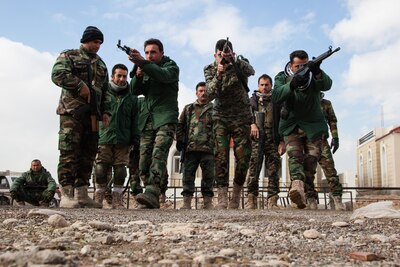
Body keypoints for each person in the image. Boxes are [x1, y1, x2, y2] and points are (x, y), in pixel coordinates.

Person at [52, 26, 111, 208]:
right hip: (72, 112)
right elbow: (57, 74)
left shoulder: (101, 64)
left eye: (100, 43)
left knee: (89, 152)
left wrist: (107, 111)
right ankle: (67, 194)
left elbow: (106, 90)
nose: (97, 46)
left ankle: (82, 193)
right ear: (85, 40)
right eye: (95, 42)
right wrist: (79, 85)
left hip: (93, 115)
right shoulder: (69, 55)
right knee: (69, 151)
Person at [272, 49, 332, 209]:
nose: (301, 69)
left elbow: (327, 84)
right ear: (291, 66)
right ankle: (297, 188)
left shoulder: (314, 76)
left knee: (311, 163)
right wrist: (291, 84)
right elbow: (276, 95)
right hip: (291, 125)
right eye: (298, 66)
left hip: (312, 125)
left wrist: (317, 70)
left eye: (304, 65)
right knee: (294, 156)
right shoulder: (281, 77)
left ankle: (308, 196)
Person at [204, 39, 255, 209]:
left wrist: (234, 60)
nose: (223, 57)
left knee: (243, 157)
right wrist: (219, 74)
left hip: (241, 117)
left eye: (225, 54)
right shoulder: (210, 69)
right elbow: (210, 93)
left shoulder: (240, 64)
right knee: (220, 156)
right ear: (215, 55)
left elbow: (251, 71)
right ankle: (222, 196)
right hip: (221, 117)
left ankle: (236, 195)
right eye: (220, 55)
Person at [129, 38, 179, 209]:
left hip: (165, 118)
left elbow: (163, 76)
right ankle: (155, 189)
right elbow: (134, 91)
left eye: (153, 52)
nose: (149, 56)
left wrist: (143, 64)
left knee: (158, 154)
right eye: (147, 53)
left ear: (161, 53)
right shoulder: (143, 68)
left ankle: (152, 191)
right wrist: (137, 75)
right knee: (143, 162)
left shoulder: (171, 66)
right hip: (148, 120)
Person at [94, 64, 140, 209]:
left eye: (124, 76)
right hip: (104, 137)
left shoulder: (132, 97)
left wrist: (135, 137)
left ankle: (117, 200)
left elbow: (135, 119)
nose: (121, 79)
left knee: (120, 170)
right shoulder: (103, 93)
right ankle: (98, 198)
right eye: (118, 76)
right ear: (113, 76)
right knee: (101, 169)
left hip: (123, 139)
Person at [176, 82, 215, 209]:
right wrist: (180, 140)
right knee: (188, 175)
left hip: (209, 148)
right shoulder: (189, 108)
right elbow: (180, 125)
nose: (203, 93)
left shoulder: (214, 109)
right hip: (190, 148)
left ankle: (207, 203)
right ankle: (186, 202)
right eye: (201, 91)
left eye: (205, 91)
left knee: (208, 176)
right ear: (196, 93)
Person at [246, 74, 283, 209]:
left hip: (272, 138)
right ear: (258, 86)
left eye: (267, 84)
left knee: (273, 170)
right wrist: (252, 124)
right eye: (262, 85)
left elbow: (282, 121)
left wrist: (282, 141)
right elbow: (247, 116)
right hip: (256, 138)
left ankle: (272, 200)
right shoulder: (252, 101)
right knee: (254, 168)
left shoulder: (277, 101)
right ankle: (251, 199)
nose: (264, 87)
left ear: (271, 85)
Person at [304, 93, 345, 210]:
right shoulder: (304, 101)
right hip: (308, 141)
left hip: (322, 141)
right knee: (308, 172)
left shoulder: (326, 103)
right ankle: (311, 199)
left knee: (330, 170)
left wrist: (335, 137)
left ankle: (337, 198)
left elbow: (332, 120)